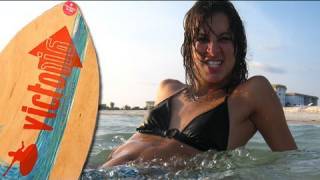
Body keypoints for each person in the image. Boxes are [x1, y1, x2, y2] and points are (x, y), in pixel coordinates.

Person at [102, 0, 297, 168]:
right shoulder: (168, 88)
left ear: (238, 46)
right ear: (189, 47)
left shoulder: (251, 94)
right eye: (202, 39)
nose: (212, 50)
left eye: (224, 39)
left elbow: (291, 161)